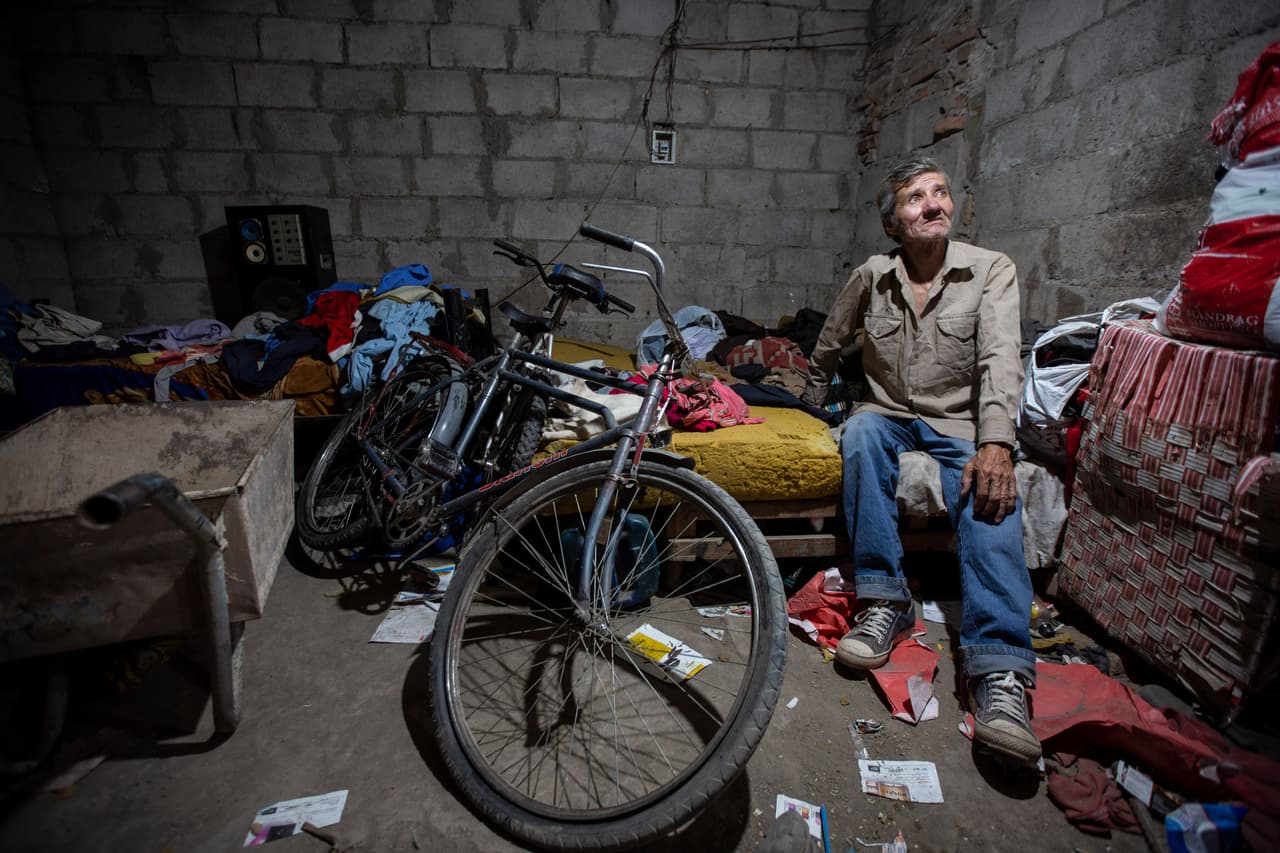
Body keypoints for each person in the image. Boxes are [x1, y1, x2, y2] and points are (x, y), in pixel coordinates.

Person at [802, 156, 1040, 766]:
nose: (934, 204)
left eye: (940, 192)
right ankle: (884, 601)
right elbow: (830, 338)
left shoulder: (990, 270)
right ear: (893, 224)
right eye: (916, 198)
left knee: (990, 491)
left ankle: (1000, 672)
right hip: (886, 411)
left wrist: (996, 442)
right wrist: (809, 394)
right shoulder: (873, 275)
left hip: (959, 421)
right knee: (860, 435)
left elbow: (1000, 358)